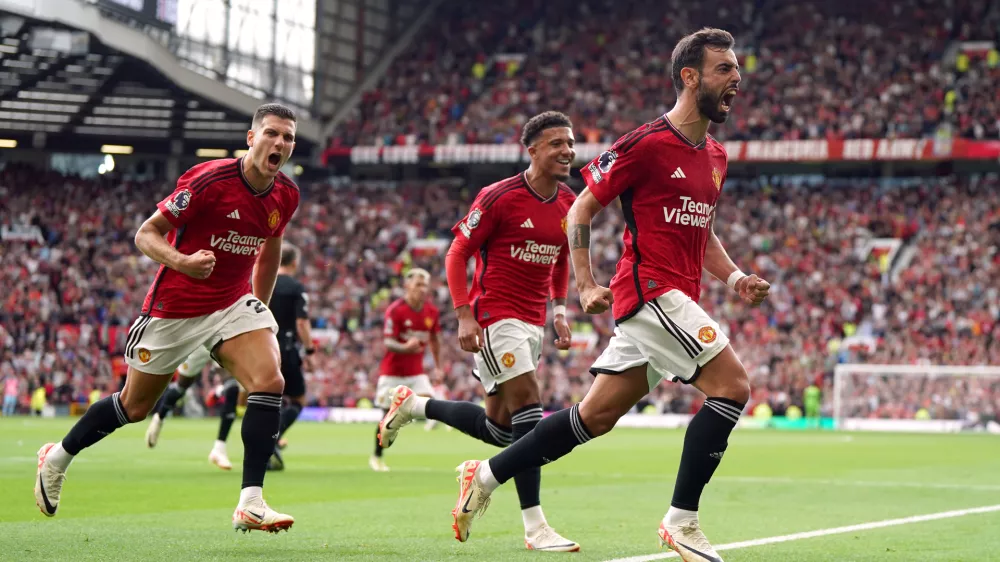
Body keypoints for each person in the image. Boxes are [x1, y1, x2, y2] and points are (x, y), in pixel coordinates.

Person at [448, 29, 770, 562]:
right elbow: (580, 209)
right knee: (733, 387)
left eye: (737, 69)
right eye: (724, 69)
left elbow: (703, 231)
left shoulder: (716, 155)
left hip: (677, 295)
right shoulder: (644, 143)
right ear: (690, 77)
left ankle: (484, 475)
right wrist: (585, 282)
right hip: (649, 293)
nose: (736, 78)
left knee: (593, 418)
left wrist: (735, 279)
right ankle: (681, 522)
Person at [33, 103, 301, 534]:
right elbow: (146, 234)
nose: (281, 144)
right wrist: (183, 261)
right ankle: (57, 457)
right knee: (134, 406)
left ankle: (251, 501)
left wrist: (261, 308)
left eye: (288, 138)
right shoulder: (209, 179)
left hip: (232, 303)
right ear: (251, 138)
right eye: (272, 133)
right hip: (175, 307)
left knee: (270, 381)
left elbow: (270, 249)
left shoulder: (286, 194)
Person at [378, 111, 580, 552]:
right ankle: (535, 526)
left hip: (532, 321)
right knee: (530, 406)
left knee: (500, 430)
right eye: (556, 144)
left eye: (570, 142)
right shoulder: (498, 196)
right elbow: (457, 254)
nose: (567, 150)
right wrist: (464, 314)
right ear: (532, 151)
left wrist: (560, 309)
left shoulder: (568, 202)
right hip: (495, 315)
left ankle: (415, 406)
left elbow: (563, 257)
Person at [370, 268, 441, 472]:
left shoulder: (431, 312)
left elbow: (436, 340)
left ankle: (405, 416)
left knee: (431, 402)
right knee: (385, 419)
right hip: (392, 372)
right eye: (418, 284)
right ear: (407, 286)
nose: (422, 289)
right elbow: (389, 342)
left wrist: (437, 367)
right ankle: (377, 456)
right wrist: (405, 347)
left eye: (425, 285)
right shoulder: (396, 310)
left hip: (416, 372)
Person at [143, 347, 243, 471]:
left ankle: (219, 448)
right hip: (199, 341)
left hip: (220, 336)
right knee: (181, 386)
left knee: (232, 386)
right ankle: (160, 417)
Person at [265, 243, 315, 471]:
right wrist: (310, 350)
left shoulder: (263, 281)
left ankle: (263, 444)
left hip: (262, 346)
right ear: (294, 263)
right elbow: (302, 323)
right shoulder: (296, 287)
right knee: (298, 399)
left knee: (264, 399)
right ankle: (273, 437)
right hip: (285, 347)